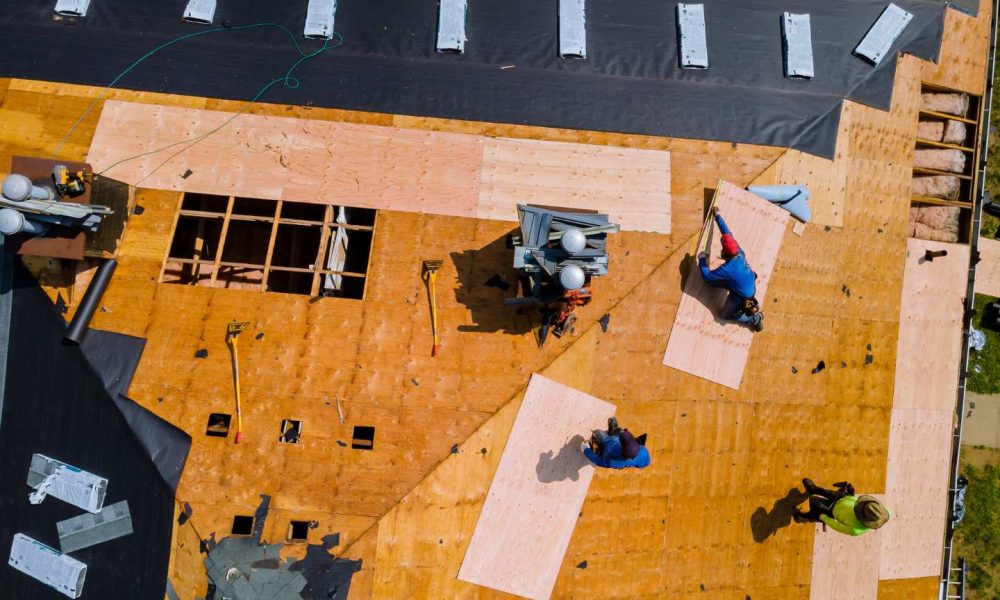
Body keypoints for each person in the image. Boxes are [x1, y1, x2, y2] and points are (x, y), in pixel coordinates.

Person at [697, 210, 764, 332]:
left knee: (724, 315)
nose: (721, 250)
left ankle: (754, 319)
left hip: (741, 295)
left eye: (723, 250)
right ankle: (749, 304)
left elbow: (707, 276)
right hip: (748, 284)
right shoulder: (738, 251)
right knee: (717, 282)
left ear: (726, 254)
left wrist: (701, 259)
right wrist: (718, 216)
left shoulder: (727, 269)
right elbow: (727, 233)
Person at [793, 478, 891, 536]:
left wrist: (823, 518)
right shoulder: (883, 513)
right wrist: (851, 495)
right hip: (844, 498)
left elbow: (837, 526)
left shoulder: (855, 531)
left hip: (832, 510)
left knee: (814, 501)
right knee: (826, 492)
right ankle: (813, 489)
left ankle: (808, 518)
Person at [581, 417, 650, 469]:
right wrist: (631, 463)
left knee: (596, 432)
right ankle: (613, 432)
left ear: (622, 450)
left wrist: (585, 450)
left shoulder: (614, 461)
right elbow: (646, 463)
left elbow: (597, 461)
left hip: (607, 444)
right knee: (620, 431)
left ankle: (598, 451)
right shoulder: (644, 452)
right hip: (616, 442)